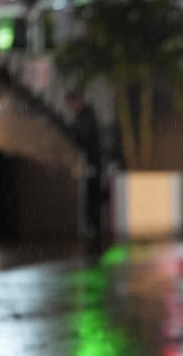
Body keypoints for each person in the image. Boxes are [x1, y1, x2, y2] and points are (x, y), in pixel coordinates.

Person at [64, 90, 104, 244]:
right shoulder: (84, 116)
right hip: (91, 160)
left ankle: (94, 226)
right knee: (91, 194)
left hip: (92, 160)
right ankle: (92, 226)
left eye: (71, 103)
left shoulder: (86, 116)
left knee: (92, 194)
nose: (70, 107)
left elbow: (84, 137)